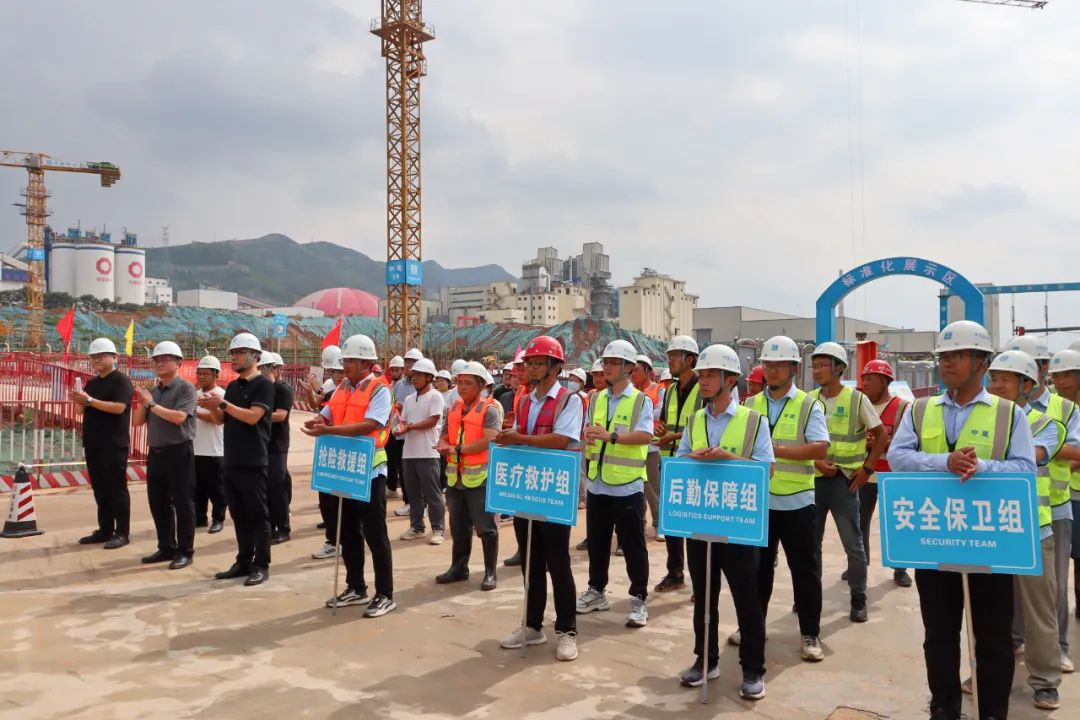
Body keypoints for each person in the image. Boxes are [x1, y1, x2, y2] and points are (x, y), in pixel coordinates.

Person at [888, 320, 1037, 720]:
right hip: (935, 539)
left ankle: (992, 712)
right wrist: (944, 462)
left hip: (990, 541)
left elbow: (1026, 470)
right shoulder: (919, 410)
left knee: (993, 639)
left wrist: (982, 467)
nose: (947, 363)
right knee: (939, 634)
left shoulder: (1009, 414)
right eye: (943, 356)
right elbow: (897, 458)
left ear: (982, 362)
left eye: (957, 356)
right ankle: (944, 708)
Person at [674, 344, 772, 700]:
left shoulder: (754, 421)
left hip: (737, 523)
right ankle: (705, 660)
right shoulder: (695, 420)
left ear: (730, 380)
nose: (703, 381)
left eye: (711, 375)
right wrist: (694, 459)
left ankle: (752, 670)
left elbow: (767, 470)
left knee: (747, 598)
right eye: (701, 374)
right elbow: (680, 462)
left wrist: (727, 457)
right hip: (701, 519)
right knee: (704, 596)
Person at [738, 335, 829, 662]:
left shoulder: (808, 404)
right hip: (759, 502)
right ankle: (753, 627)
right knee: (756, 572)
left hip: (797, 503)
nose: (773, 370)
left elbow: (820, 447)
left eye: (780, 365)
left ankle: (810, 633)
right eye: (768, 364)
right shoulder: (750, 405)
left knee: (805, 572)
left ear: (793, 368)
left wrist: (775, 451)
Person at [983, 350, 1064, 710]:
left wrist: (980, 461)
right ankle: (986, 673)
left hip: (1032, 529)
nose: (997, 385)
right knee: (990, 611)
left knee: (1039, 611)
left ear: (1027, 386)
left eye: (1005, 379)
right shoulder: (980, 418)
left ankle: (1045, 680)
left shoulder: (1045, 423)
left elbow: (1031, 458)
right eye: (993, 378)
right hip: (990, 527)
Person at [496, 335, 584, 662]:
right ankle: (533, 625)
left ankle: (567, 630)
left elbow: (563, 439)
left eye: (537, 363)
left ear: (554, 367)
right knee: (530, 559)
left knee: (558, 561)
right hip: (527, 487)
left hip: (554, 490)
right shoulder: (524, 401)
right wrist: (510, 441)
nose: (530, 368)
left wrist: (521, 438)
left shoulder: (569, 400)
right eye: (529, 363)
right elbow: (520, 439)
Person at [301, 333, 396, 618]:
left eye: (350, 361)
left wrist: (328, 430)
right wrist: (319, 420)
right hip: (344, 470)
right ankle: (356, 586)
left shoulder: (380, 389)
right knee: (348, 532)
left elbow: (371, 424)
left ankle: (385, 594)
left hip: (370, 471)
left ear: (366, 363)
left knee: (375, 535)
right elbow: (327, 412)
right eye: (344, 360)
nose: (344, 366)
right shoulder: (343, 386)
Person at [807, 342, 885, 623]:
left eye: (822, 365)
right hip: (814, 480)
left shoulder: (856, 399)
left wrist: (867, 468)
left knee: (853, 544)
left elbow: (881, 435)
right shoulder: (809, 399)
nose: (816, 371)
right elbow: (801, 439)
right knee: (810, 545)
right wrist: (816, 462)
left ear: (839, 368)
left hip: (845, 482)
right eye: (814, 365)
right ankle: (808, 598)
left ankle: (858, 599)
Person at [578, 339, 653, 628]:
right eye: (605, 362)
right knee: (597, 543)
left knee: (634, 547)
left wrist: (611, 436)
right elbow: (588, 430)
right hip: (597, 484)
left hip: (626, 486)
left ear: (629, 368)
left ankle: (638, 598)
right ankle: (596, 591)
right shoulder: (596, 398)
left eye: (613, 362)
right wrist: (589, 435)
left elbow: (646, 436)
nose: (606, 367)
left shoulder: (641, 401)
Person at [1018, 338, 1080, 672]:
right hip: (1012, 509)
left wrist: (1044, 446)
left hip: (1053, 507)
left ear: (1042, 369)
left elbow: (1078, 451)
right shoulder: (1003, 408)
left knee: (1053, 585)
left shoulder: (1064, 409)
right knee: (1013, 586)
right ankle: (1016, 640)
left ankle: (1058, 647)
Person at [199, 333, 275, 587]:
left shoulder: (263, 385)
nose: (234, 357)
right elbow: (221, 420)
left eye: (240, 352)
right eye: (232, 353)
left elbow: (253, 417)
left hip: (253, 460)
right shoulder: (232, 387)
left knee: (258, 515)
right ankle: (243, 560)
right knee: (239, 515)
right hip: (231, 459)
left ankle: (261, 564)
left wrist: (222, 405)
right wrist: (213, 407)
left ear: (255, 356)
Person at [133, 340, 198, 570]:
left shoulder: (186, 389)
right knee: (158, 502)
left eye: (165, 359)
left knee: (183, 503)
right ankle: (166, 546)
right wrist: (143, 402)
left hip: (179, 451)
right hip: (156, 453)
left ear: (178, 363)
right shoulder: (154, 391)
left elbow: (179, 418)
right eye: (156, 360)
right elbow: (137, 422)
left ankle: (185, 550)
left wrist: (151, 404)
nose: (159, 363)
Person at [435, 361, 501, 590]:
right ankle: (459, 568)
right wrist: (442, 445)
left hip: (479, 478)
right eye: (460, 382)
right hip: (455, 478)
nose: (462, 387)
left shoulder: (489, 410)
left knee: (486, 528)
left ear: (481, 385)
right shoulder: (453, 408)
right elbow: (445, 434)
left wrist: (457, 449)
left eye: (468, 383)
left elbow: (489, 439)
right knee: (458, 527)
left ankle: (490, 572)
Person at [72, 337, 134, 550]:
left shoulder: (121, 381)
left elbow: (119, 407)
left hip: (114, 444)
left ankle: (122, 532)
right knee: (100, 489)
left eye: (101, 356)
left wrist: (89, 401)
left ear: (114, 357)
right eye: (93, 357)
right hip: (93, 443)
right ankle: (105, 529)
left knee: (116, 489)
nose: (96, 360)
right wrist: (80, 400)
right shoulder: (92, 383)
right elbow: (80, 411)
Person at [653, 335, 702, 592]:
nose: (670, 360)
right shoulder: (670, 390)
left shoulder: (703, 389)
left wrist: (674, 436)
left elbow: (706, 427)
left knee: (695, 526)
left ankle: (701, 582)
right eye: (669, 356)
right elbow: (665, 422)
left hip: (694, 465)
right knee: (672, 523)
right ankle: (675, 573)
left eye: (674, 356)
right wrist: (661, 430)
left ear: (690, 359)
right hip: (670, 464)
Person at [857, 359, 911, 587]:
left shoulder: (902, 407)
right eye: (864, 379)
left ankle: (900, 569)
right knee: (860, 522)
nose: (865, 384)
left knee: (898, 522)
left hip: (892, 475)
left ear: (884, 381)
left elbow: (907, 441)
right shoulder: (859, 405)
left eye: (870, 379)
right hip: (865, 474)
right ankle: (860, 564)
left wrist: (880, 443)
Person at [397, 357, 446, 544]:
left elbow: (433, 421)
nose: (414, 378)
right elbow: (403, 421)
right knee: (413, 493)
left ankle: (438, 529)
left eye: (418, 375)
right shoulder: (409, 399)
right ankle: (417, 527)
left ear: (429, 377)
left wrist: (409, 427)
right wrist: (398, 428)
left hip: (428, 452)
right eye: (413, 375)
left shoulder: (435, 396)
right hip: (409, 453)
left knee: (432, 494)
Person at [1048, 349, 1080, 626]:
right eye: (1057, 376)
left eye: (1067, 375)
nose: (1061, 382)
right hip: (1065, 494)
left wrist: (1054, 456)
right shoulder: (1056, 406)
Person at [258, 352, 293, 545]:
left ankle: (283, 528)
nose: (264, 373)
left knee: (277, 486)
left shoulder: (282, 389)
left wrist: (255, 414)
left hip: (277, 444)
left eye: (266, 369)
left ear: (275, 369)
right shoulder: (262, 388)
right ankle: (269, 526)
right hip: (262, 443)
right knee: (266, 487)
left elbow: (280, 415)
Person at [632, 354, 664, 542]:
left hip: (651, 446)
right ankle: (640, 524)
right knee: (637, 488)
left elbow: (659, 412)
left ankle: (659, 524)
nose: (633, 373)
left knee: (652, 488)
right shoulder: (630, 391)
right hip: (633, 446)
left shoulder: (659, 389)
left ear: (647, 370)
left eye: (637, 369)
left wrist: (640, 414)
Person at [193, 355, 227, 534]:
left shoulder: (221, 395)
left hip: (214, 449)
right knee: (197, 488)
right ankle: (199, 517)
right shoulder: (195, 394)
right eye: (199, 373)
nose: (201, 377)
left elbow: (217, 420)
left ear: (216, 375)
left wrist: (195, 413)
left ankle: (218, 519)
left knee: (217, 489)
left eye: (206, 374)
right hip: (196, 448)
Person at [385, 354, 407, 502]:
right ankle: (391, 487)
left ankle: (406, 493)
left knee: (402, 463)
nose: (394, 372)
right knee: (390, 459)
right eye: (392, 370)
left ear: (402, 370)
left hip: (403, 429)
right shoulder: (390, 387)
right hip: (391, 428)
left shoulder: (407, 387)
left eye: (396, 370)